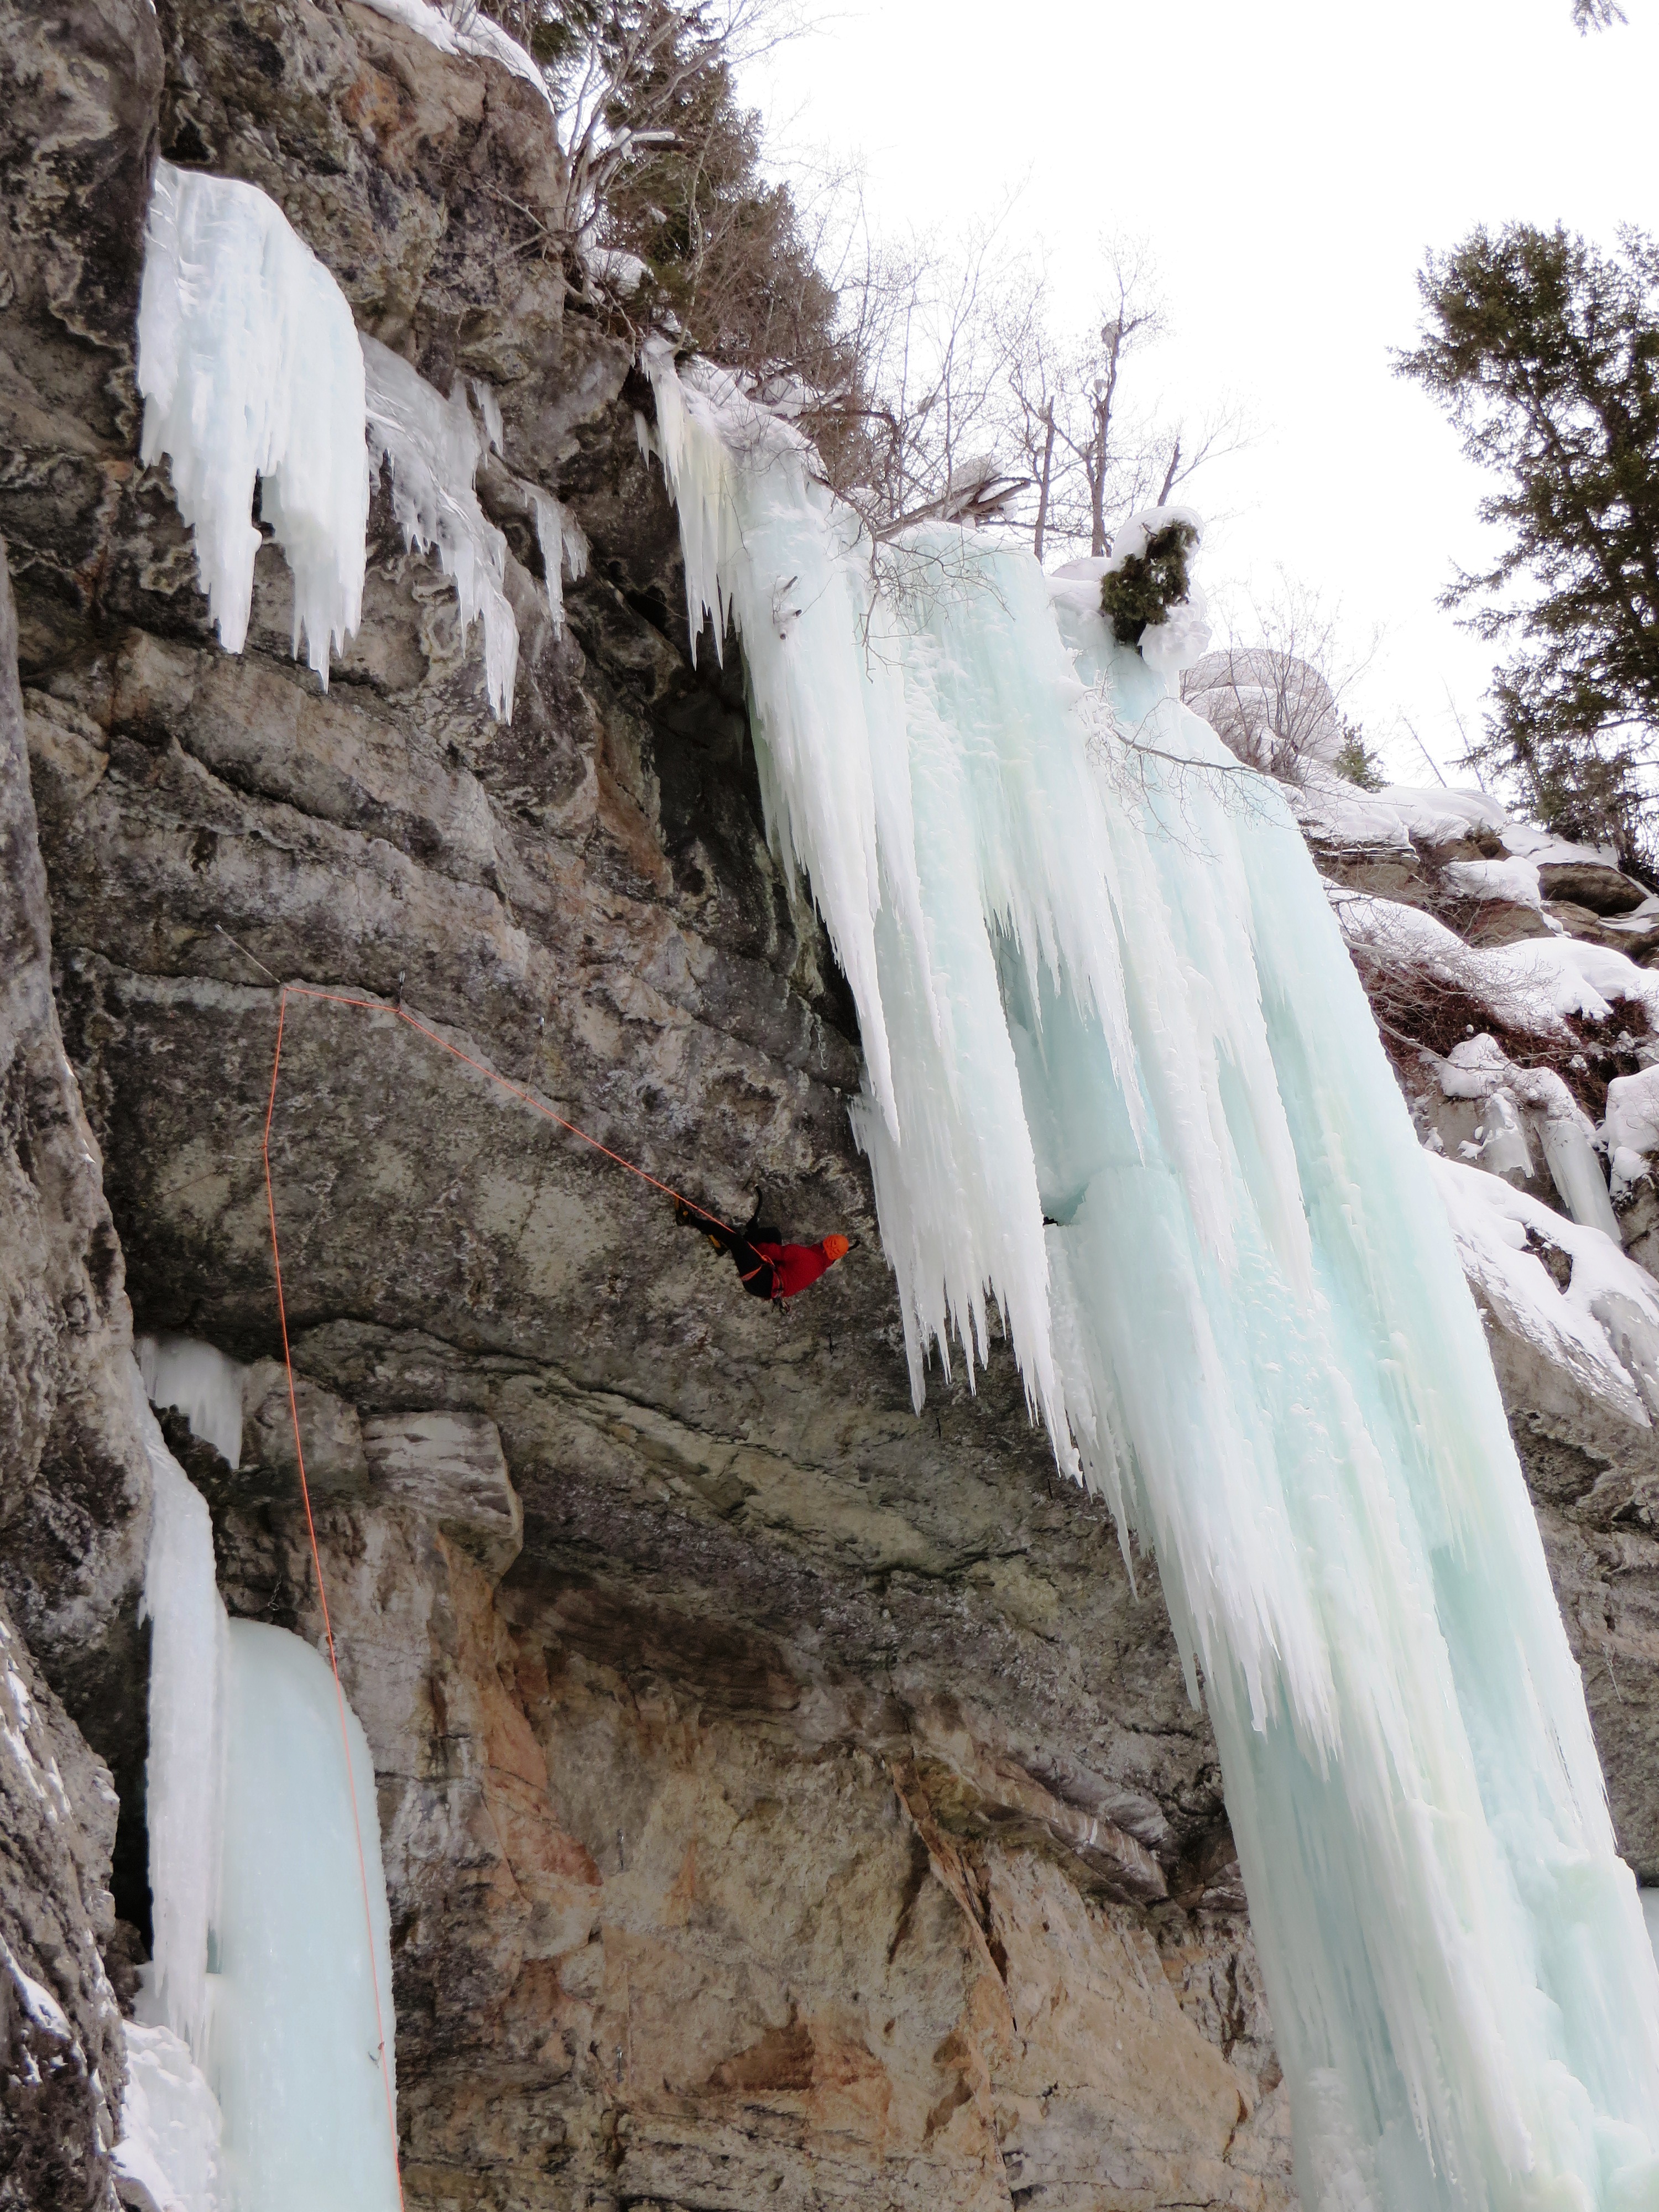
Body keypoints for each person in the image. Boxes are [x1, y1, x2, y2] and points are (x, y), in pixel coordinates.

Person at [676, 1192, 850, 1302]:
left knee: (735, 1237)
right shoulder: (820, 1266)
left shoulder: (805, 1256)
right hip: (766, 1285)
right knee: (774, 1235)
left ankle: (687, 1219)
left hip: (760, 1280)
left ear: (823, 1243)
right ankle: (724, 1245)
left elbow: (772, 1252)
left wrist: (748, 1242)